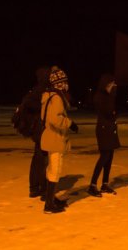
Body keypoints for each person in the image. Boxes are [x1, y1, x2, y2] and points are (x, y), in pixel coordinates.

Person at [40, 66, 79, 213]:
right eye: (64, 82)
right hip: (55, 138)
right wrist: (70, 124)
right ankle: (49, 205)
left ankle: (51, 199)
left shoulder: (49, 95)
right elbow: (54, 119)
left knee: (52, 169)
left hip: (51, 137)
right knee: (55, 170)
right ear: (60, 83)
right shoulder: (56, 98)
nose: (66, 85)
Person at [87, 74, 120, 197]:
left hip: (110, 128)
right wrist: (113, 113)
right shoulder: (100, 97)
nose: (112, 86)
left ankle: (105, 183)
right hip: (103, 129)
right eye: (111, 84)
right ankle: (92, 185)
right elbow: (109, 112)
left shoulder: (108, 96)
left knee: (110, 156)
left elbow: (114, 110)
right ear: (105, 84)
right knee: (104, 156)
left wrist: (113, 112)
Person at [23, 66, 50, 199]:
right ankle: (42, 188)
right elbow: (28, 103)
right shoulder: (41, 90)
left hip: (37, 129)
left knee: (37, 159)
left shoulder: (38, 88)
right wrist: (44, 106)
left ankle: (34, 187)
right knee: (42, 159)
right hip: (40, 130)